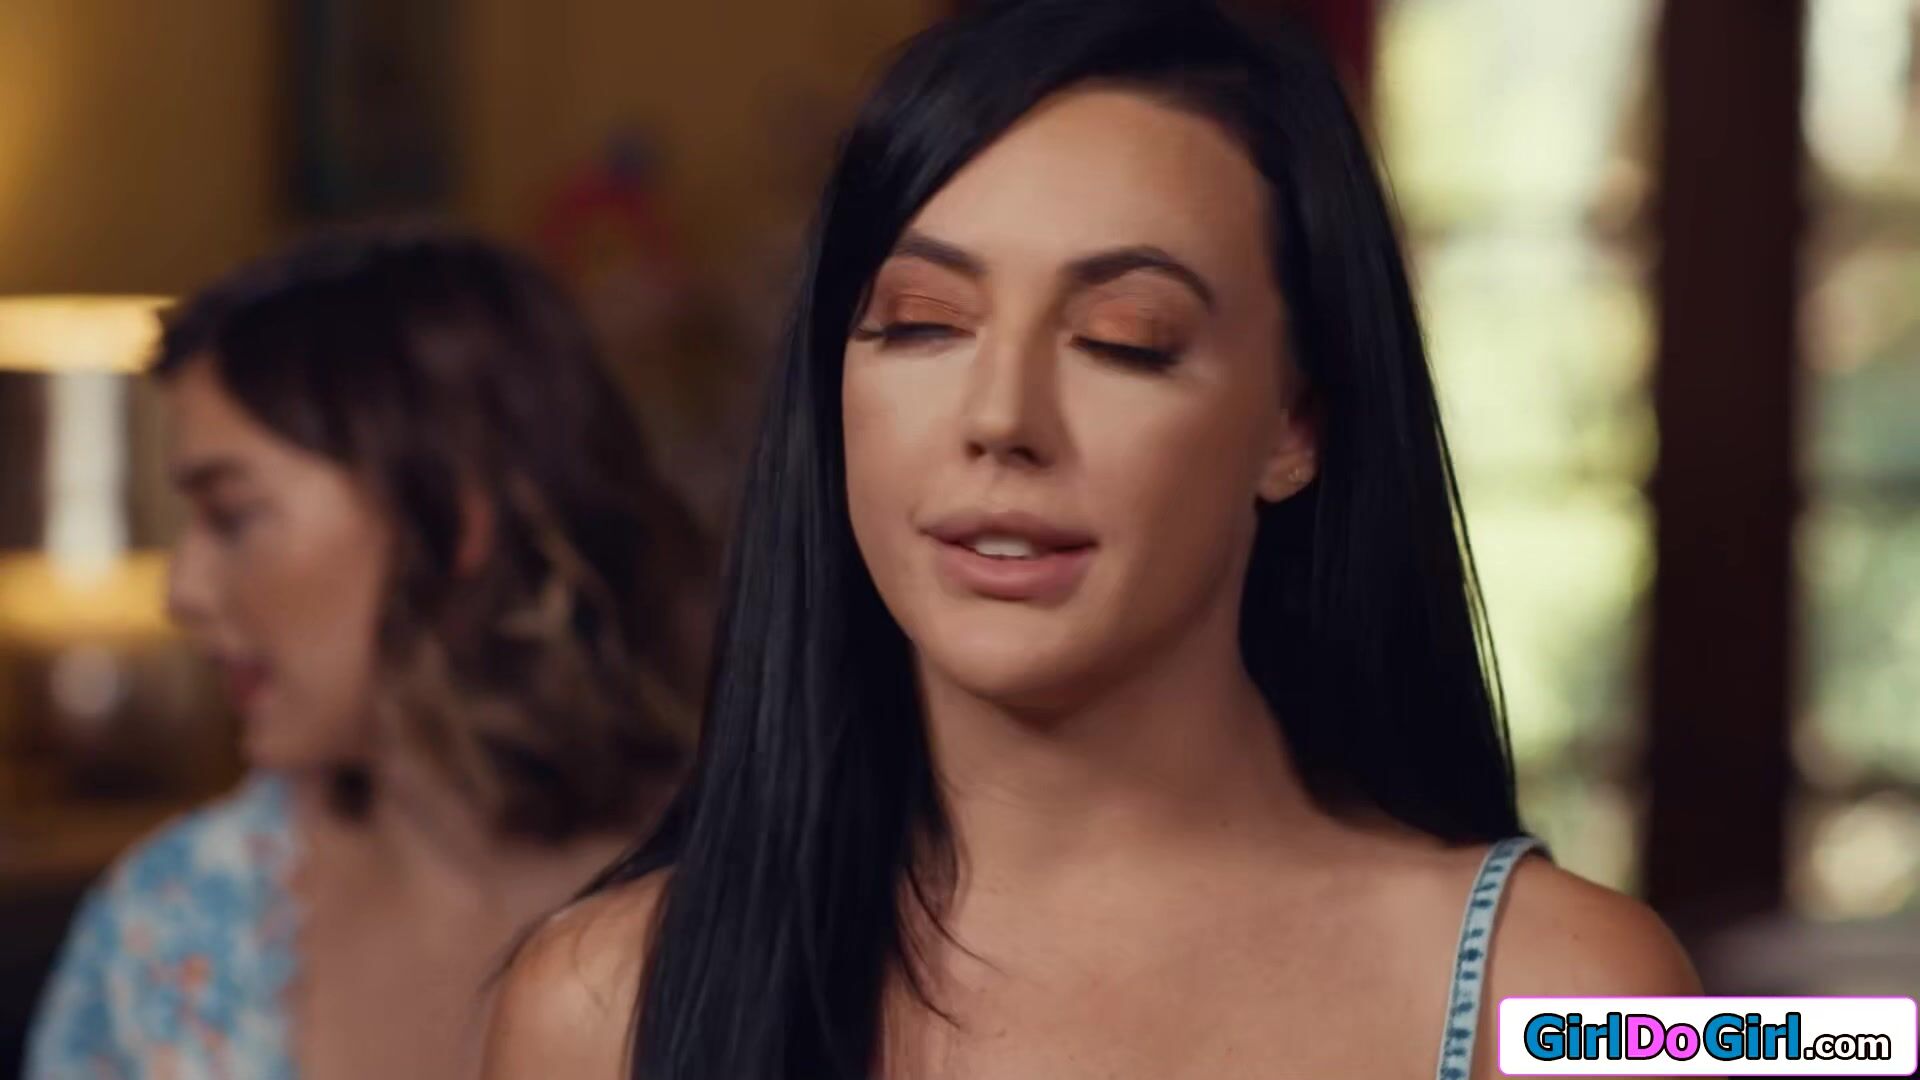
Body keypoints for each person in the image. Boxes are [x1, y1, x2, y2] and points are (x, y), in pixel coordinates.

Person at [486, 3, 1701, 1078]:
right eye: (922, 323)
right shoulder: (601, 1007)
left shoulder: (1588, 1002)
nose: (1002, 417)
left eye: (1126, 339)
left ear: (1295, 424)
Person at [26, 227, 709, 1079]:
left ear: (452, 518)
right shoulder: (168, 926)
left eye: (233, 516)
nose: (183, 592)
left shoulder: (755, 888)